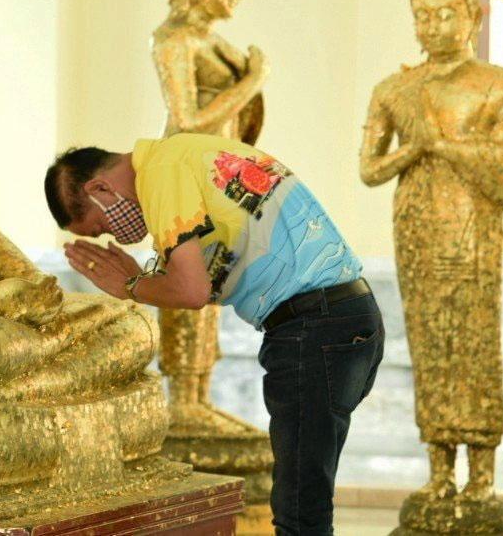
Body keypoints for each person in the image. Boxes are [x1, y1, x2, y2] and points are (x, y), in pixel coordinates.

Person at [45, 134, 383, 535]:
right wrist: (142, 279)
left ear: (100, 189)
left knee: (300, 509)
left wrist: (129, 287)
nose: (114, 237)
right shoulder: (184, 156)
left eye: (101, 226)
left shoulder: (159, 173)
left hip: (314, 325)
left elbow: (192, 291)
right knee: (306, 493)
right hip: (346, 316)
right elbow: (207, 279)